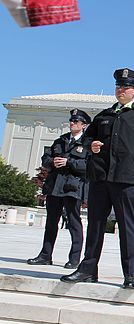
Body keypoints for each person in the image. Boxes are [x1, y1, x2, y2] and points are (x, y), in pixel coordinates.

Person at [61, 68, 134, 289]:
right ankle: (88, 269)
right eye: (118, 86)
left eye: (126, 87)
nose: (121, 90)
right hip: (101, 177)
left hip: (128, 178)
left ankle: (130, 275)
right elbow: (87, 138)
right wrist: (89, 145)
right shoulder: (104, 116)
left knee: (128, 226)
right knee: (95, 225)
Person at [27, 109, 91, 269]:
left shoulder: (87, 144)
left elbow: (89, 166)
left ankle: (75, 259)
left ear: (83, 125)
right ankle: (45, 255)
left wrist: (69, 162)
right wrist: (52, 162)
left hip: (72, 187)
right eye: (71, 120)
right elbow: (45, 158)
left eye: (76, 121)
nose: (72, 123)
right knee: (51, 222)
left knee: (74, 223)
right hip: (55, 186)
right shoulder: (60, 141)